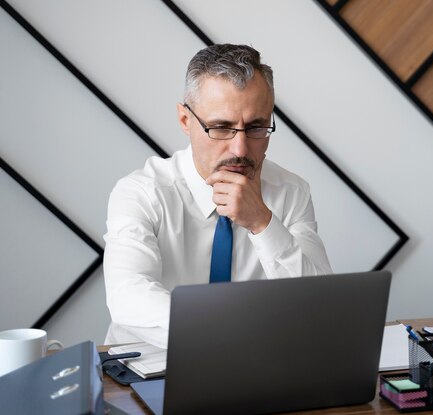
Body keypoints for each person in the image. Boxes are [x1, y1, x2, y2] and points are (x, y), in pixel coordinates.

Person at [103, 44, 332, 348]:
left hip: (257, 370)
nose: (240, 149)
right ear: (185, 120)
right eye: (221, 128)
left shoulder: (291, 192)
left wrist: (262, 222)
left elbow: (320, 305)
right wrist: (228, 332)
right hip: (151, 366)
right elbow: (128, 296)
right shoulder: (142, 193)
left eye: (256, 127)